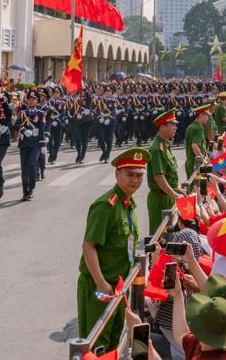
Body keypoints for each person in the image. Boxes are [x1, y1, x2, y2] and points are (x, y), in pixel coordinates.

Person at [78, 147, 149, 354]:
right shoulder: (105, 206)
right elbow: (88, 246)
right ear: (117, 174)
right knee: (97, 346)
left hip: (118, 286)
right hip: (99, 286)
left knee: (113, 342)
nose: (135, 180)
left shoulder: (128, 204)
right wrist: (101, 282)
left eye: (139, 176)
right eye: (130, 175)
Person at [146, 108, 183, 230]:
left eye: (175, 125)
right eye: (172, 125)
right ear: (162, 127)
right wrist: (174, 194)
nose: (175, 127)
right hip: (160, 199)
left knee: (169, 233)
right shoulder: (157, 148)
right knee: (159, 236)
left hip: (168, 196)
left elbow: (168, 173)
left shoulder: (165, 145)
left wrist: (176, 190)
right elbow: (159, 176)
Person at [16, 92, 47, 201]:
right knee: (24, 169)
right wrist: (23, 130)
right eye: (29, 99)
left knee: (31, 164)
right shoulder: (22, 113)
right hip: (24, 144)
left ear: (37, 101)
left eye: (34, 99)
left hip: (36, 144)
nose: (31, 101)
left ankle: (32, 187)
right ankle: (26, 192)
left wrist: (43, 144)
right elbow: (16, 124)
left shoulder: (41, 113)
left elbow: (42, 129)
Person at [183, 103, 211, 179]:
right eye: (206, 115)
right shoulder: (198, 128)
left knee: (191, 187)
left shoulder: (190, 127)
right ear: (201, 115)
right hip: (196, 163)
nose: (208, 118)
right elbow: (194, 146)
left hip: (190, 162)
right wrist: (203, 159)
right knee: (197, 188)